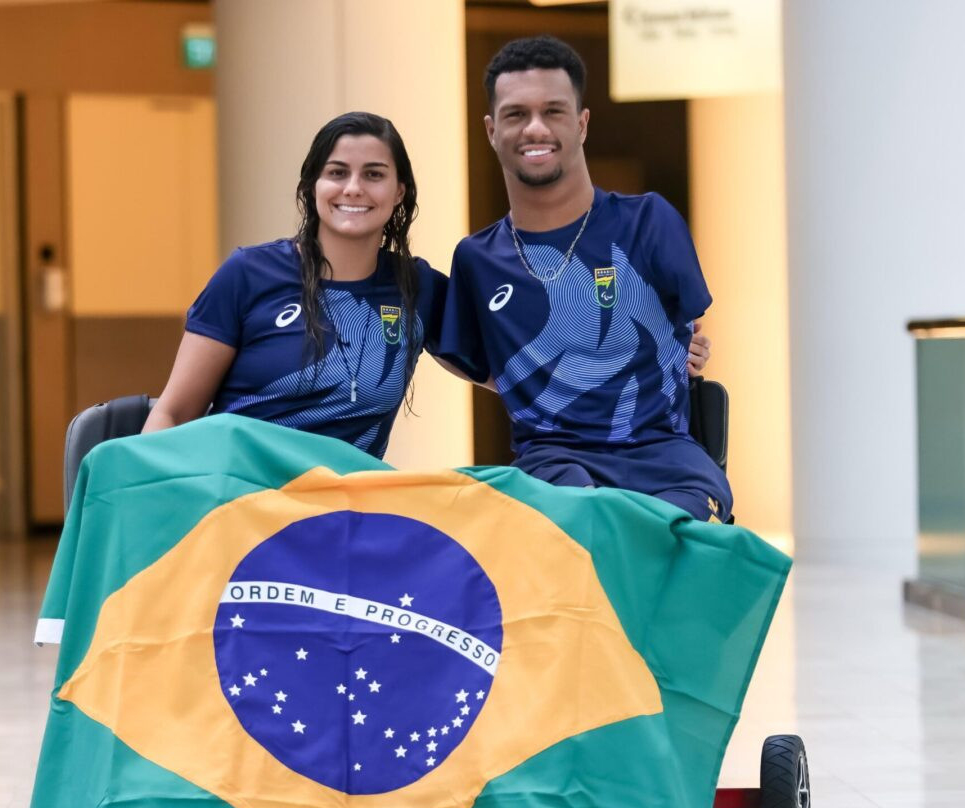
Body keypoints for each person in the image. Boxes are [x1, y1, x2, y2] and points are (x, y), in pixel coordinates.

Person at [434, 35, 729, 522]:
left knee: (684, 539)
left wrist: (682, 350)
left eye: (553, 111)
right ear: (491, 130)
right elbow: (469, 356)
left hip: (667, 461)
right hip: (552, 468)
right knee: (581, 525)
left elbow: (687, 327)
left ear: (582, 123)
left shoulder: (649, 222)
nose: (535, 128)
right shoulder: (476, 260)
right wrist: (542, 384)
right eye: (515, 114)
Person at [143, 111, 444, 459]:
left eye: (373, 174)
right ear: (312, 185)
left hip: (350, 493)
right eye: (337, 173)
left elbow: (492, 366)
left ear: (399, 191)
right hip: (240, 487)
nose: (353, 188)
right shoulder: (248, 274)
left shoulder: (418, 287)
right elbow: (173, 413)